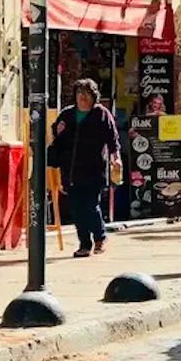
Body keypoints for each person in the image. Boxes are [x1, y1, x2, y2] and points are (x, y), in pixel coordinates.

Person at [46, 78, 122, 257]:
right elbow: (57, 137)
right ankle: (84, 243)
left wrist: (116, 159)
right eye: (80, 93)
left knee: (90, 205)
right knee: (76, 208)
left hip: (93, 169)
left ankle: (100, 237)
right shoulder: (67, 115)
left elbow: (113, 140)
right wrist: (58, 131)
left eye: (87, 93)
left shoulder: (102, 115)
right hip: (70, 170)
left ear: (93, 96)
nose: (82, 97)